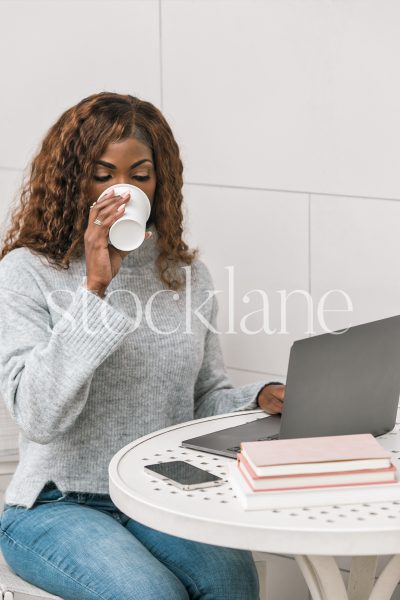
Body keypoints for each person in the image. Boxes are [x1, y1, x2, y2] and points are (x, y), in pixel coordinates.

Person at [0, 92, 285, 600]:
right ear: (72, 179)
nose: (123, 189)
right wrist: (94, 288)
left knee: (234, 583)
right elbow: (39, 416)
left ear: (161, 182)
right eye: (103, 174)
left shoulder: (183, 274)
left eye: (141, 174)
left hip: (162, 493)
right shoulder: (25, 271)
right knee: (151, 595)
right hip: (57, 502)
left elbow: (201, 401)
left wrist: (258, 397)